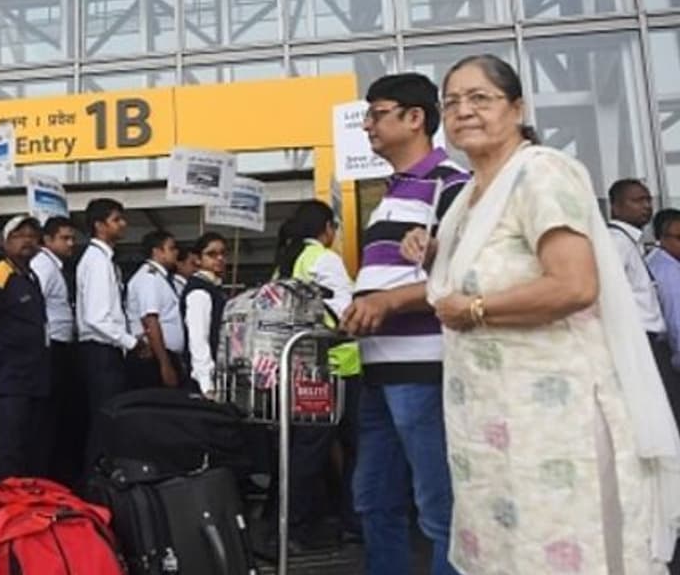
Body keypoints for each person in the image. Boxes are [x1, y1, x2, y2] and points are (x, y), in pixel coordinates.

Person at [410, 53, 680, 572]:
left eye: (479, 98)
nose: (463, 110)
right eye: (452, 102)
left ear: (516, 107)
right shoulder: (466, 198)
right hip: (487, 422)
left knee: (555, 551)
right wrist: (434, 256)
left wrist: (478, 306)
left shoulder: (541, 173)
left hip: (551, 422)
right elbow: (476, 278)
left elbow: (574, 285)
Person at [338, 72, 469, 575]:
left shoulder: (452, 187)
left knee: (439, 510)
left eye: (377, 113)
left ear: (415, 118)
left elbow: (463, 280)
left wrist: (388, 303)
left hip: (424, 373)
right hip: (377, 374)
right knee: (373, 501)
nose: (368, 124)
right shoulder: (388, 199)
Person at [270, 200, 358, 550]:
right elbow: (345, 310)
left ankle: (290, 526)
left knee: (304, 449)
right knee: (356, 448)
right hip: (338, 364)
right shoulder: (323, 258)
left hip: (301, 368)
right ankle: (353, 521)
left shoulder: (285, 265)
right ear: (326, 228)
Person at [0, 216, 49, 482]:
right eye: (19, 235)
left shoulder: (30, 276)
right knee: (8, 449)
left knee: (30, 447)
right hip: (8, 379)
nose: (27, 240)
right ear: (5, 242)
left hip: (33, 377)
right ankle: (6, 510)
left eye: (32, 235)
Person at [608, 179, 680, 425]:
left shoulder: (631, 242)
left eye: (648, 200)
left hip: (648, 342)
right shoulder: (616, 241)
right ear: (615, 207)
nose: (646, 206)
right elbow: (608, 292)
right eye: (637, 200)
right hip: (640, 341)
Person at [76, 198, 138, 472]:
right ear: (99, 225)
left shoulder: (105, 260)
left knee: (107, 418)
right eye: (116, 219)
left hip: (105, 349)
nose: (122, 224)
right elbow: (96, 316)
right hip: (100, 350)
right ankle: (97, 480)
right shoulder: (97, 261)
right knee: (104, 419)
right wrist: (131, 342)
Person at [30, 215, 82, 487]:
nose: (71, 243)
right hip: (49, 349)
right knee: (47, 418)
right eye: (64, 238)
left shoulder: (56, 267)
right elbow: (35, 309)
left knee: (59, 416)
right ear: (47, 240)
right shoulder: (42, 266)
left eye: (72, 237)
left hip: (61, 347)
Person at [125, 230, 186, 390]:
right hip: (154, 355)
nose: (176, 252)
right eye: (171, 248)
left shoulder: (162, 278)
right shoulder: (149, 278)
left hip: (165, 354)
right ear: (157, 252)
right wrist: (164, 364)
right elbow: (150, 320)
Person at [181, 233, 228, 398]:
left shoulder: (214, 288)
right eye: (212, 254)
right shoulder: (199, 292)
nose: (220, 258)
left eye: (223, 253)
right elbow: (198, 339)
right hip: (204, 380)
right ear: (197, 259)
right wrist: (207, 383)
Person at [648, 208, 680, 428]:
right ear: (661, 238)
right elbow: (676, 320)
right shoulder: (668, 271)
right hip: (671, 357)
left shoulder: (659, 261)